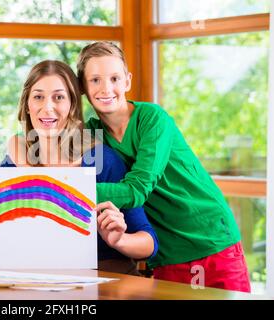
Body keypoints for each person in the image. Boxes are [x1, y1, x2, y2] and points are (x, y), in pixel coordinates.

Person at [0, 60, 158, 275]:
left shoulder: (101, 160)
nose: (48, 108)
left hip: (102, 281)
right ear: (27, 105)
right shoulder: (15, 162)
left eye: (59, 97)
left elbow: (149, 243)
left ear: (72, 105)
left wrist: (118, 240)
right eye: (38, 97)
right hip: (38, 279)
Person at [76, 41, 251, 292]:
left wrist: (70, 193)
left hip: (208, 236)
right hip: (167, 249)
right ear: (83, 86)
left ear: (127, 81)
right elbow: (52, 151)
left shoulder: (152, 119)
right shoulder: (93, 133)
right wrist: (20, 144)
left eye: (114, 78)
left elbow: (137, 190)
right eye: (95, 80)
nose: (106, 88)